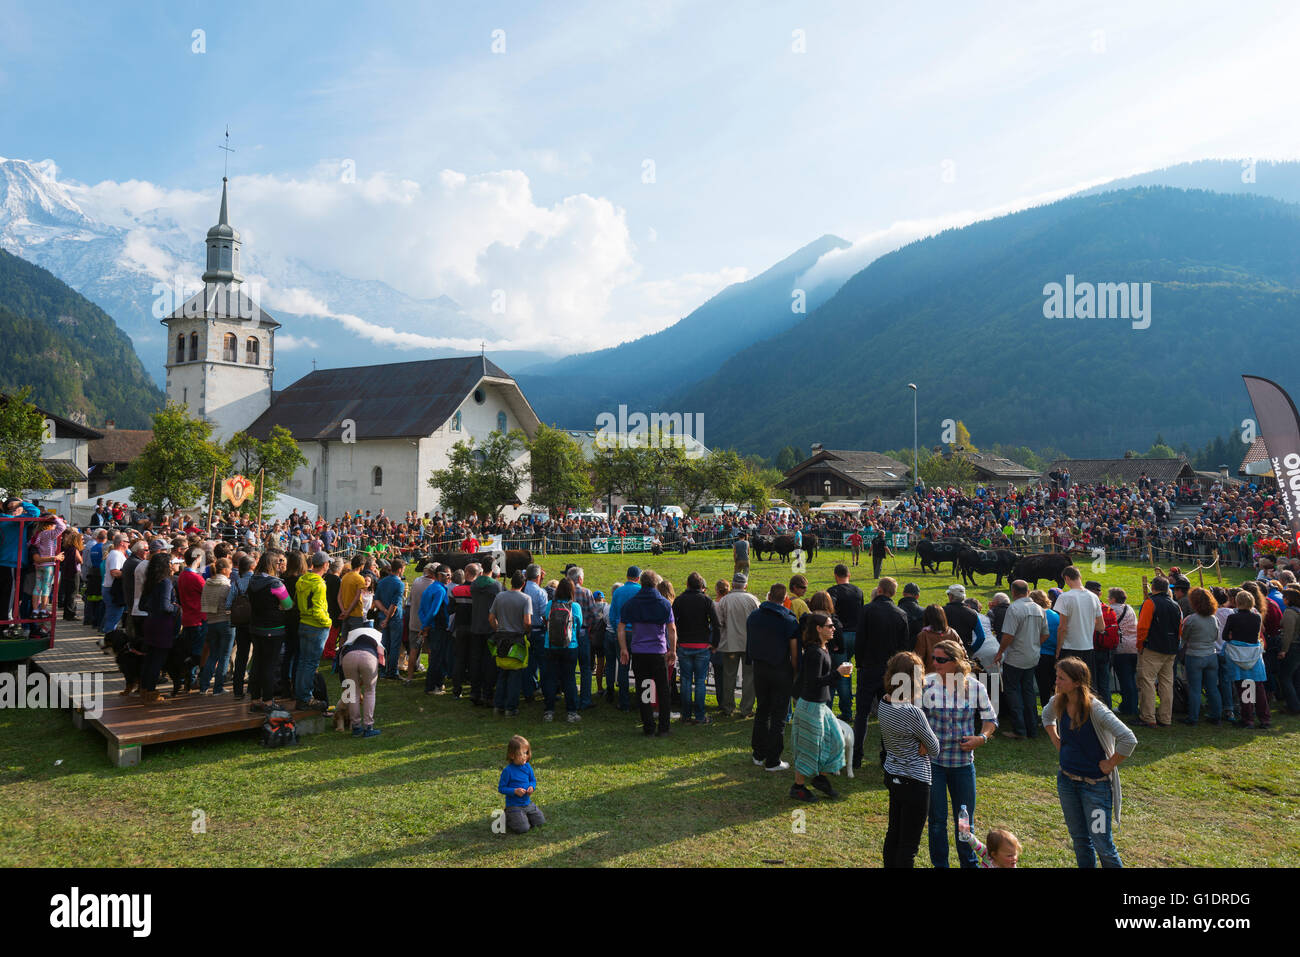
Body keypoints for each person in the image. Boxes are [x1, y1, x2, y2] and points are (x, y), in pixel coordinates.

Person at [1042, 656, 1137, 868]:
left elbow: (1128, 738)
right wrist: (1057, 740)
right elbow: (1046, 717)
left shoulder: (1096, 709)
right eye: (1057, 677)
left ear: (1077, 682)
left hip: (1095, 788)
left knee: (1102, 844)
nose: (1056, 682)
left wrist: (1111, 763)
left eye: (1062, 678)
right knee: (1080, 840)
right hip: (1067, 782)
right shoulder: (1058, 701)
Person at [922, 639, 997, 868]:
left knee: (965, 822)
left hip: (963, 764)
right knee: (936, 821)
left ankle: (969, 864)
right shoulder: (925, 685)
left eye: (941, 659)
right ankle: (940, 865)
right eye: (933, 658)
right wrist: (921, 741)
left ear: (955, 662)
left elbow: (990, 719)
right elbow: (916, 720)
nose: (935, 663)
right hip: (934, 762)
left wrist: (981, 738)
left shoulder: (975, 686)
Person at [879, 651, 940, 868]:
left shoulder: (884, 703)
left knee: (893, 834)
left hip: (893, 774)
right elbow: (934, 748)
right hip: (915, 781)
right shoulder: (913, 712)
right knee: (908, 845)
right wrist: (923, 740)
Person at [789, 612, 852, 801]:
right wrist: (837, 674)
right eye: (830, 626)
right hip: (810, 706)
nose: (834, 629)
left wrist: (836, 673)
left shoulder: (824, 648)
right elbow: (813, 682)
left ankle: (820, 779)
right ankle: (798, 787)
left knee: (836, 741)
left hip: (821, 705)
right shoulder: (814, 652)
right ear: (818, 629)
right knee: (809, 747)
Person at [853, 576, 909, 768]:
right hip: (891, 671)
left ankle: (856, 755)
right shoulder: (901, 614)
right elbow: (904, 647)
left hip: (868, 667)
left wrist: (859, 663)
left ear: (879, 590)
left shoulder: (867, 610)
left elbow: (860, 640)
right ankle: (887, 755)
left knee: (862, 713)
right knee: (889, 715)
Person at [745, 583, 800, 770]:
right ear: (785, 599)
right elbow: (794, 651)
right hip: (780, 669)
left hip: (759, 668)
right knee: (779, 715)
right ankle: (773, 760)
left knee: (762, 710)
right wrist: (795, 672)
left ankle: (758, 753)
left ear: (768, 597)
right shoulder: (788, 620)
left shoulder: (754, 616)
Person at [619, 569, 677, 737]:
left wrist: (624, 648)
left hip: (639, 652)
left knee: (644, 689)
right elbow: (672, 629)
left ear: (641, 582)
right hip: (658, 652)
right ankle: (664, 728)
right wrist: (672, 650)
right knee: (663, 690)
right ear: (656, 584)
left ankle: (648, 726)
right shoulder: (664, 604)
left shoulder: (632, 603)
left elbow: (621, 628)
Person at [994, 579, 1049, 740]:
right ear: (1028, 590)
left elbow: (1008, 635)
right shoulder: (1039, 608)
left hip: (1015, 657)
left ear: (1013, 592)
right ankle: (1032, 729)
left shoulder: (1014, 608)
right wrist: (1034, 644)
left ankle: (1019, 730)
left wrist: (1000, 652)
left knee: (1012, 691)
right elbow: (1046, 634)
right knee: (1029, 692)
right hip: (1032, 656)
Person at [247, 550, 295, 714]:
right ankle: (268, 701)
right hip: (273, 628)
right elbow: (288, 605)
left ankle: (255, 700)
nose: (281, 565)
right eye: (279, 562)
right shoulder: (275, 584)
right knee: (269, 665)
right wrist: (279, 606)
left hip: (256, 626)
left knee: (257, 664)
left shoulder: (252, 580)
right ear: (273, 565)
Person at [672, 571, 720, 725]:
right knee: (700, 681)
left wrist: (676, 642)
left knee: (685, 681)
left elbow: (672, 623)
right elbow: (716, 625)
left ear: (687, 584)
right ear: (701, 585)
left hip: (684, 645)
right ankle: (699, 716)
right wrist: (715, 644)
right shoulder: (706, 601)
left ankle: (686, 716)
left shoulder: (679, 600)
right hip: (702, 646)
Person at [1136, 576, 1181, 728]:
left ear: (1152, 587)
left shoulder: (1150, 603)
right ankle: (1165, 717)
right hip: (1171, 649)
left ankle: (1148, 717)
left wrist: (1140, 645)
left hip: (1153, 648)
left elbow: (1142, 627)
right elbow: (1180, 628)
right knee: (1167, 684)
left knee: (1147, 682)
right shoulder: (1176, 605)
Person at [1222, 590, 1270, 729]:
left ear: (1237, 602)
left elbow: (1225, 635)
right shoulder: (1257, 617)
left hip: (1237, 654)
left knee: (1244, 687)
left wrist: (1233, 636)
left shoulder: (1233, 618)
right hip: (1253, 654)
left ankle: (1247, 718)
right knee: (1258, 687)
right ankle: (1264, 718)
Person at [136, 552, 179, 704]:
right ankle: (151, 692)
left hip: (150, 622)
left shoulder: (151, 581)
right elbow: (165, 606)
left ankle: (144, 690)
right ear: (167, 565)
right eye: (172, 562)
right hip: (162, 626)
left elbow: (142, 605)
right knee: (157, 661)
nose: (175, 564)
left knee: (149, 659)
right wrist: (176, 608)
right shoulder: (166, 582)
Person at [716, 571, 759, 718]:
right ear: (745, 585)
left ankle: (728, 707)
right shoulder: (753, 600)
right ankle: (746, 709)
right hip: (749, 644)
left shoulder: (724, 601)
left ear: (733, 584)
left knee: (729, 676)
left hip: (730, 644)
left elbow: (719, 622)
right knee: (749, 677)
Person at [490, 570, 533, 716]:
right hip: (517, 639)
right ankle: (511, 707)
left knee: (502, 673)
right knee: (515, 675)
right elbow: (527, 621)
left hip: (501, 639)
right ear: (524, 583)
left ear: (510, 582)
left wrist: (498, 629)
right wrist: (527, 631)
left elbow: (491, 618)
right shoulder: (526, 599)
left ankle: (498, 705)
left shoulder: (500, 596)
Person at [1179, 586, 1223, 726]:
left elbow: (1184, 637)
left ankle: (1193, 717)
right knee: (1212, 688)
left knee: (1195, 689)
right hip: (1211, 655)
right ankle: (1216, 715)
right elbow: (1216, 637)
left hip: (1195, 655)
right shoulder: (1214, 619)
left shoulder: (1191, 619)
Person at [294, 551, 332, 710]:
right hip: (316, 626)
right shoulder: (319, 583)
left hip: (304, 622)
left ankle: (301, 696)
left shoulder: (302, 579)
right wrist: (328, 622)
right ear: (325, 565)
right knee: (310, 664)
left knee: (303, 662)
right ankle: (305, 698)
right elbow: (317, 609)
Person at [827, 564, 864, 723]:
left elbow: (829, 610)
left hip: (840, 636)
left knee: (842, 674)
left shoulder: (833, 591)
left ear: (836, 575)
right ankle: (848, 710)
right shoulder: (858, 591)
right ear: (849, 575)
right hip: (857, 635)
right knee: (848, 671)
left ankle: (846, 711)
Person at [543, 577, 582, 722]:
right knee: (569, 678)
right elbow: (579, 624)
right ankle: (571, 712)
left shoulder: (550, 605)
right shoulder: (575, 607)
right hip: (570, 646)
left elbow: (546, 620)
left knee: (550, 678)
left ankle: (549, 711)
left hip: (550, 645)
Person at [1054, 566, 1104, 678]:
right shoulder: (1094, 597)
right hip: (1088, 647)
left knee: (1068, 684)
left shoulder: (1064, 597)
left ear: (1066, 578)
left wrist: (1058, 649)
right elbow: (1101, 626)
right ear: (1080, 576)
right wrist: (1087, 623)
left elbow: (1062, 627)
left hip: (1069, 648)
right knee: (1086, 685)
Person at [604, 566, 641, 711]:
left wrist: (619, 628)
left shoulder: (618, 591)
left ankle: (623, 702)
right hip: (637, 633)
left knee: (623, 667)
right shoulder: (640, 591)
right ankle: (640, 701)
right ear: (638, 578)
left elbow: (612, 615)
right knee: (639, 668)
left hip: (621, 632)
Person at [340, 624, 385, 737]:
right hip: (369, 656)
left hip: (348, 657)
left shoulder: (352, 634)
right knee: (370, 691)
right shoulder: (377, 636)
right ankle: (368, 727)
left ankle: (355, 727)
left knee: (353, 692)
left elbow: (340, 654)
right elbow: (382, 655)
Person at [198, 557, 234, 694]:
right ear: (224, 570)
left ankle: (204, 686)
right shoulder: (226, 585)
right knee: (224, 656)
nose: (231, 571)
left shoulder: (207, 584)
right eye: (230, 568)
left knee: (213, 655)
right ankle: (218, 688)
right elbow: (230, 604)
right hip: (225, 622)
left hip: (211, 621)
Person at [470, 562, 502, 706]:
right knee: (489, 662)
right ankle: (487, 693)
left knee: (475, 660)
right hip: (490, 627)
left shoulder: (474, 584)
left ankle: (475, 691)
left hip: (476, 626)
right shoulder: (496, 586)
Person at [499, 735, 545, 834]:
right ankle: (508, 815)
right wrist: (514, 791)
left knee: (540, 822)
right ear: (512, 755)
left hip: (527, 803)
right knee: (523, 829)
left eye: (526, 753)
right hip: (514, 805)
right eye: (521, 754)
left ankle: (523, 816)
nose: (525, 756)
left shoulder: (527, 767)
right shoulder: (508, 771)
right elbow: (501, 788)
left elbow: (533, 780)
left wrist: (531, 787)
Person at [374, 559, 407, 680]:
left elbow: (376, 600)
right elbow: (394, 604)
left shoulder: (382, 582)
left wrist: (384, 611)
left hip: (383, 617)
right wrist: (388, 617)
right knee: (394, 646)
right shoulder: (399, 584)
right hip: (394, 619)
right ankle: (393, 672)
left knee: (384, 645)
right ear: (399, 570)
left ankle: (382, 671)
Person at [1109, 587, 1139, 717]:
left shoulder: (1113, 610)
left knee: (1125, 680)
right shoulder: (1130, 608)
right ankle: (1132, 705)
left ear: (1114, 599)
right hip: (1134, 647)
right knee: (1131, 679)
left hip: (1122, 648)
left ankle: (1128, 707)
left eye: (1109, 597)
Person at [1034, 589, 1061, 710]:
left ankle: (1047, 714)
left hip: (1040, 654)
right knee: (1054, 686)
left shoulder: (1037, 615)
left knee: (1043, 688)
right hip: (1054, 654)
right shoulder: (1056, 615)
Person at [914, 604, 959, 674]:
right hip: (950, 675)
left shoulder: (923, 635)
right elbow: (962, 655)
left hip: (931, 676)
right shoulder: (953, 633)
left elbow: (918, 660)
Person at [957, 825, 1022, 868]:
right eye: (1009, 856)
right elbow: (976, 844)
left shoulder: (1011, 865)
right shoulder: (987, 854)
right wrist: (967, 834)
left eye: (1015, 854)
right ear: (994, 854)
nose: (1014, 858)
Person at [1279, 586, 1300, 714]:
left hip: (1292, 647)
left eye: (1284, 597)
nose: (1282, 599)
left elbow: (1288, 633)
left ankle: (1293, 706)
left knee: (1285, 677)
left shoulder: (1290, 613)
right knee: (1296, 677)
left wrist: (1284, 650)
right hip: (1297, 647)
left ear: (1288, 599)